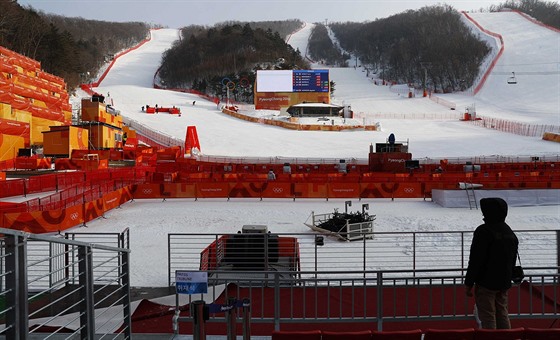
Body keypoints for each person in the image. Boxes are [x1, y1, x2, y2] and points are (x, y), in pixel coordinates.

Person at [465, 197, 519, 329]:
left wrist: (469, 282)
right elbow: (512, 259)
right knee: (502, 313)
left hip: (486, 282)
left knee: (488, 316)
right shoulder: (509, 232)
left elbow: (476, 259)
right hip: (504, 281)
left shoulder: (483, 231)